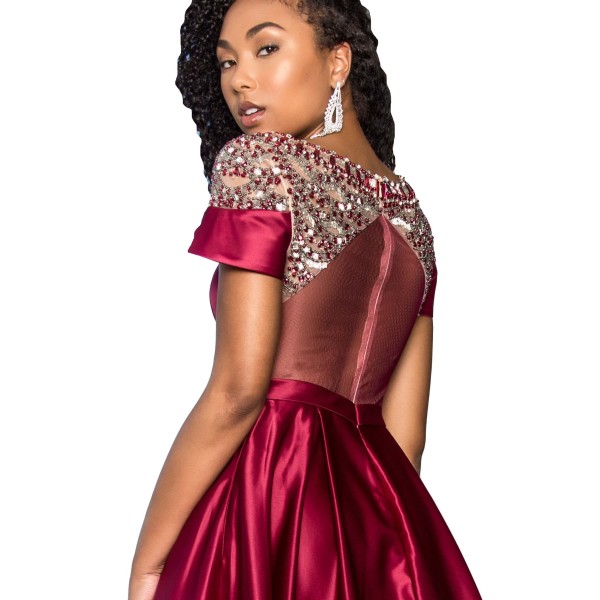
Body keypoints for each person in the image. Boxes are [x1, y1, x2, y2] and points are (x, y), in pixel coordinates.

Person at [129, 0, 483, 598]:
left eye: (266, 48)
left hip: (265, 490)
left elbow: (238, 392)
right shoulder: (413, 220)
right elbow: (406, 437)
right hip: (379, 509)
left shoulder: (262, 166)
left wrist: (150, 564)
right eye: (227, 62)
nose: (240, 80)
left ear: (338, 61)